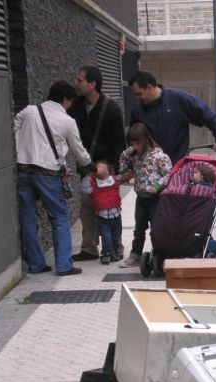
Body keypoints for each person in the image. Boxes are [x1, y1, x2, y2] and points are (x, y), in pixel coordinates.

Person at [14, 80, 92, 276]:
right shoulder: (66, 121)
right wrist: (88, 164)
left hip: (23, 171)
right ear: (66, 99)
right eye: (70, 102)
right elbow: (78, 150)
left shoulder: (28, 111)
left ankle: (35, 264)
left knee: (28, 219)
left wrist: (22, 147)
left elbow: (15, 128)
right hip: (48, 174)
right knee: (59, 218)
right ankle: (64, 265)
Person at [69, 65, 127, 262]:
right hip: (86, 166)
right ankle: (89, 248)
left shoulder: (112, 108)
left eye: (80, 80)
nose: (76, 83)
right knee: (86, 208)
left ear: (92, 84)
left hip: (106, 167)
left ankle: (116, 247)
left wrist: (113, 171)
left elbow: (119, 143)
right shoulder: (75, 107)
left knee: (109, 207)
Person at [128, 71, 216, 165]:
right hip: (150, 170)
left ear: (149, 88)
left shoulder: (178, 100)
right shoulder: (137, 111)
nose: (137, 98)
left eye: (139, 94)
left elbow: (209, 116)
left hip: (176, 166)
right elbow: (133, 141)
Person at [118, 123, 172, 268]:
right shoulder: (133, 153)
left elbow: (168, 174)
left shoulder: (159, 156)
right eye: (132, 144)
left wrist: (157, 186)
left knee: (156, 229)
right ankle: (135, 255)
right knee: (139, 228)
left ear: (145, 139)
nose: (134, 146)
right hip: (141, 197)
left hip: (156, 199)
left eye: (137, 143)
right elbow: (123, 157)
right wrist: (124, 172)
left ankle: (159, 254)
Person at [80, 161, 131, 264]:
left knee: (116, 236)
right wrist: (88, 175)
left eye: (104, 169)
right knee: (106, 237)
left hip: (116, 215)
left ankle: (115, 251)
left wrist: (129, 172)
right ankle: (107, 254)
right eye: (98, 168)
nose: (101, 170)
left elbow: (124, 177)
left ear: (109, 171)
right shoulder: (93, 182)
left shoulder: (114, 179)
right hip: (102, 217)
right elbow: (85, 189)